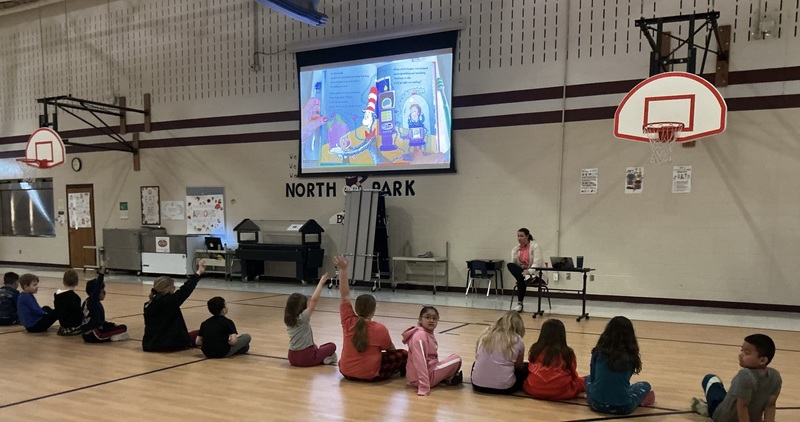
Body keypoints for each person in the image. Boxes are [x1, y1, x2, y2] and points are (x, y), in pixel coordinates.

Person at [337, 254, 408, 381]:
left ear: (356, 308)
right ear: (373, 310)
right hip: (369, 375)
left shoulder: (348, 321)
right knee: (403, 354)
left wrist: (343, 270)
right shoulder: (379, 329)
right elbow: (391, 350)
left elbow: (344, 296)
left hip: (346, 372)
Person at [691, 334, 781, 421]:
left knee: (710, 379)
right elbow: (770, 405)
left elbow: (742, 406)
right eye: (742, 350)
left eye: (746, 353)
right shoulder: (775, 376)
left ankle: (705, 408)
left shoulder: (744, 375)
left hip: (723, 418)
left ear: (762, 360)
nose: (740, 355)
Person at [585, 316, 655, 415]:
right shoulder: (630, 355)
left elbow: (593, 378)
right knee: (645, 385)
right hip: (623, 407)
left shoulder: (598, 352)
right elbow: (625, 378)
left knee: (587, 379)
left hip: (596, 404)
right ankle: (639, 400)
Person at [142, 260, 206, 352]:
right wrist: (198, 273)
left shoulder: (148, 304)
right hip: (169, 344)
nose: (174, 288)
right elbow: (186, 289)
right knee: (201, 333)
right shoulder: (169, 301)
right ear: (167, 288)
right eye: (173, 286)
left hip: (150, 344)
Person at [401, 306, 463, 396]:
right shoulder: (420, 336)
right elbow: (420, 362)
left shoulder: (427, 333)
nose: (431, 320)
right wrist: (424, 387)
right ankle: (447, 378)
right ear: (420, 319)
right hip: (421, 379)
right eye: (427, 317)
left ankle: (446, 378)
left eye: (434, 318)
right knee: (457, 359)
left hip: (426, 373)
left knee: (451, 359)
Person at [523, 318, 585, 400]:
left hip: (533, 389)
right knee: (586, 380)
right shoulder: (567, 352)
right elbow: (574, 374)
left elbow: (530, 367)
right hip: (561, 391)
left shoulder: (535, 349)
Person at [285, 271, 337, 366]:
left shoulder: (288, 320)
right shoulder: (302, 318)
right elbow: (314, 300)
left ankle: (321, 357)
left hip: (292, 357)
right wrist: (321, 283)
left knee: (314, 346)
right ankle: (326, 358)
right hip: (306, 357)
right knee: (332, 346)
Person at [471, 311, 528, 394]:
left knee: (475, 364)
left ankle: (482, 378)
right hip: (505, 388)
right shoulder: (518, 340)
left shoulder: (485, 334)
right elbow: (518, 366)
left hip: (478, 385)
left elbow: (477, 356)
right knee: (525, 369)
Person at [81, 268, 129, 343]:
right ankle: (112, 337)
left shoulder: (88, 302)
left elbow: (100, 322)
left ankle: (112, 335)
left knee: (116, 326)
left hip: (88, 332)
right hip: (95, 334)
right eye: (102, 291)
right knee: (123, 328)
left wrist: (111, 325)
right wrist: (101, 274)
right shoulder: (92, 301)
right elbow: (97, 288)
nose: (104, 293)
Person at [508, 228, 547, 312]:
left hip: (536, 274)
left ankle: (520, 304)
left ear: (527, 236)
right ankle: (526, 278)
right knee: (510, 265)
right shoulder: (517, 249)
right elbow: (514, 264)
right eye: (518, 236)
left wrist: (528, 272)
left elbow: (537, 263)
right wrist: (515, 252)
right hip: (523, 273)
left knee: (521, 279)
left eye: (521, 236)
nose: (519, 238)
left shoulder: (535, 246)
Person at [54, 269, 84, 336]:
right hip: (73, 324)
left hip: (63, 324)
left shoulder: (57, 295)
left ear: (63, 282)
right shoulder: (75, 297)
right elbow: (78, 313)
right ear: (77, 283)